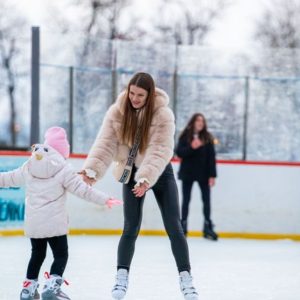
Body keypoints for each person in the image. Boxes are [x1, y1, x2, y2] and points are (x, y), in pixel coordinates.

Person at [80, 72, 199, 299]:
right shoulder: (117, 111)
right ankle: (121, 279)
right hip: (131, 171)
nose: (134, 98)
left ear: (150, 95)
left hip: (159, 172)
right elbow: (105, 143)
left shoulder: (163, 114)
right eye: (132, 93)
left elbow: (160, 150)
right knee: (130, 226)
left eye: (140, 95)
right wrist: (91, 170)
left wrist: (145, 179)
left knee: (174, 227)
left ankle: (186, 280)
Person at [0, 127, 121, 300]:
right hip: (54, 224)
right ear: (63, 151)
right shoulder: (64, 169)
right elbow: (83, 190)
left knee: (37, 254)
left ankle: (27, 289)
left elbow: (8, 178)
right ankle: (52, 288)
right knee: (61, 254)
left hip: (34, 224)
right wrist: (105, 199)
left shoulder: (30, 164)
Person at [176, 113, 218, 240]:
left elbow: (211, 157)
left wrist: (212, 175)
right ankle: (183, 227)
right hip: (188, 173)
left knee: (206, 200)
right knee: (186, 201)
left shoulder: (208, 137)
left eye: (202, 121)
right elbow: (179, 153)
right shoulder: (184, 136)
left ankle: (207, 227)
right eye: (198, 120)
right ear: (193, 122)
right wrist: (192, 147)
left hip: (204, 174)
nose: (200, 123)